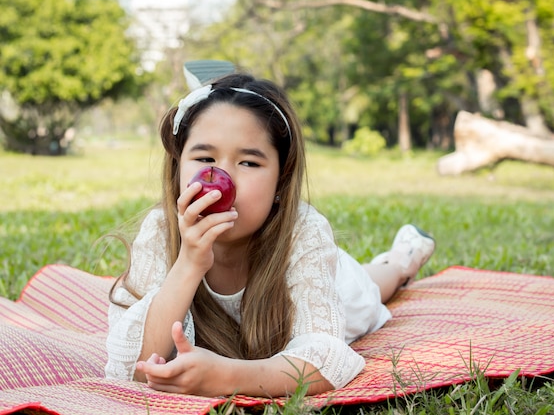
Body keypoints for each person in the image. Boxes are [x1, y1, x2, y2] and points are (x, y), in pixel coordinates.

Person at [105, 71, 435, 398]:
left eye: (248, 163)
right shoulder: (162, 230)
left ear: (280, 181)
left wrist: (227, 377)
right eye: (205, 159)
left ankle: (402, 259)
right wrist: (189, 262)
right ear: (178, 168)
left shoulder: (302, 233)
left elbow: (325, 358)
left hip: (334, 288)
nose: (223, 178)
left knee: (369, 287)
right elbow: (135, 366)